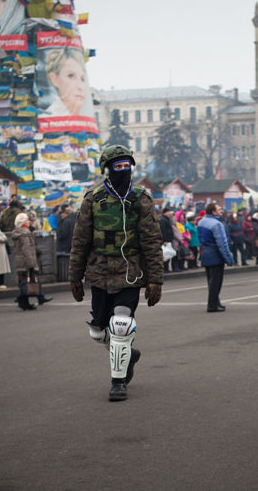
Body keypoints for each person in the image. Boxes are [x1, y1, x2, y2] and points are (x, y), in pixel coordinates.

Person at [69, 145, 163, 402]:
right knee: (98, 331)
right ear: (107, 169)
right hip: (99, 272)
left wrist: (155, 280)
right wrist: (74, 276)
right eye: (118, 166)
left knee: (121, 325)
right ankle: (127, 355)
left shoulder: (141, 198)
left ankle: (118, 382)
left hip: (129, 272)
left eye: (127, 166)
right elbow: (80, 241)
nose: (123, 171)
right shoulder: (93, 199)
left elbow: (152, 242)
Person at [11, 212, 53, 310]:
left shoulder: (19, 232)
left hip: (20, 260)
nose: (29, 222)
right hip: (26, 261)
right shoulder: (25, 234)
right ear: (23, 222)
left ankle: (26, 301)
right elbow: (27, 250)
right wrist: (32, 263)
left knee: (25, 281)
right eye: (27, 220)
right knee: (28, 281)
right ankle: (23, 299)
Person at [197, 203, 234, 312]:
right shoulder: (217, 224)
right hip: (215, 254)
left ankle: (216, 303)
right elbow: (222, 243)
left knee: (210, 280)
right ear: (213, 212)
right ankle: (212, 305)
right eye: (218, 209)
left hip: (206, 253)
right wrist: (229, 259)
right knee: (216, 282)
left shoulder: (201, 222)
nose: (221, 211)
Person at [43, 48, 89, 117]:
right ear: (54, 79)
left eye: (82, 79)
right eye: (71, 75)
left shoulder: (87, 120)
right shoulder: (46, 119)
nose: (80, 86)